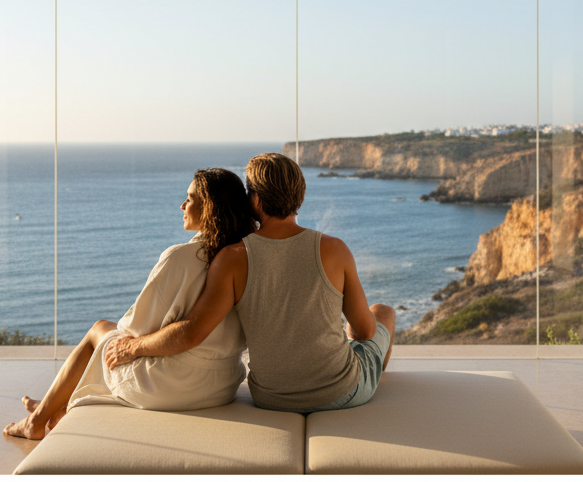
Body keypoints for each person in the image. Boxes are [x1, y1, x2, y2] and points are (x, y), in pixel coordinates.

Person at [104, 152, 396, 413]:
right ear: (299, 195)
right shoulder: (335, 249)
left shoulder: (232, 258)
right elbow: (365, 331)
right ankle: (377, 375)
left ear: (255, 200)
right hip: (341, 393)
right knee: (383, 312)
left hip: (271, 397)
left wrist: (132, 347)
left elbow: (192, 332)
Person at [3, 167, 255, 439]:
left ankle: (36, 421)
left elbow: (135, 329)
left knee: (100, 332)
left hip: (177, 386)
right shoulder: (245, 257)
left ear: (210, 208)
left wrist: (130, 343)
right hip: (223, 383)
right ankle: (53, 405)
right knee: (112, 339)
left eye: (190, 199)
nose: (182, 205)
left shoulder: (180, 258)